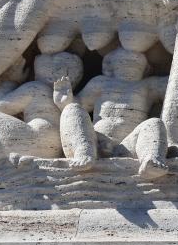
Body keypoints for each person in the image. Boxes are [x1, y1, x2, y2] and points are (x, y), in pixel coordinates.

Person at [68, 48, 170, 179]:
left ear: (145, 68)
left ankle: (151, 160)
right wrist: (64, 98)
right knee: (72, 108)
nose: (130, 66)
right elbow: (80, 104)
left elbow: (175, 83)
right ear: (110, 67)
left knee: (154, 123)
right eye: (124, 62)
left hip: (128, 146)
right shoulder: (100, 82)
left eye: (136, 63)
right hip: (95, 142)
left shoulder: (147, 85)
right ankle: (83, 151)